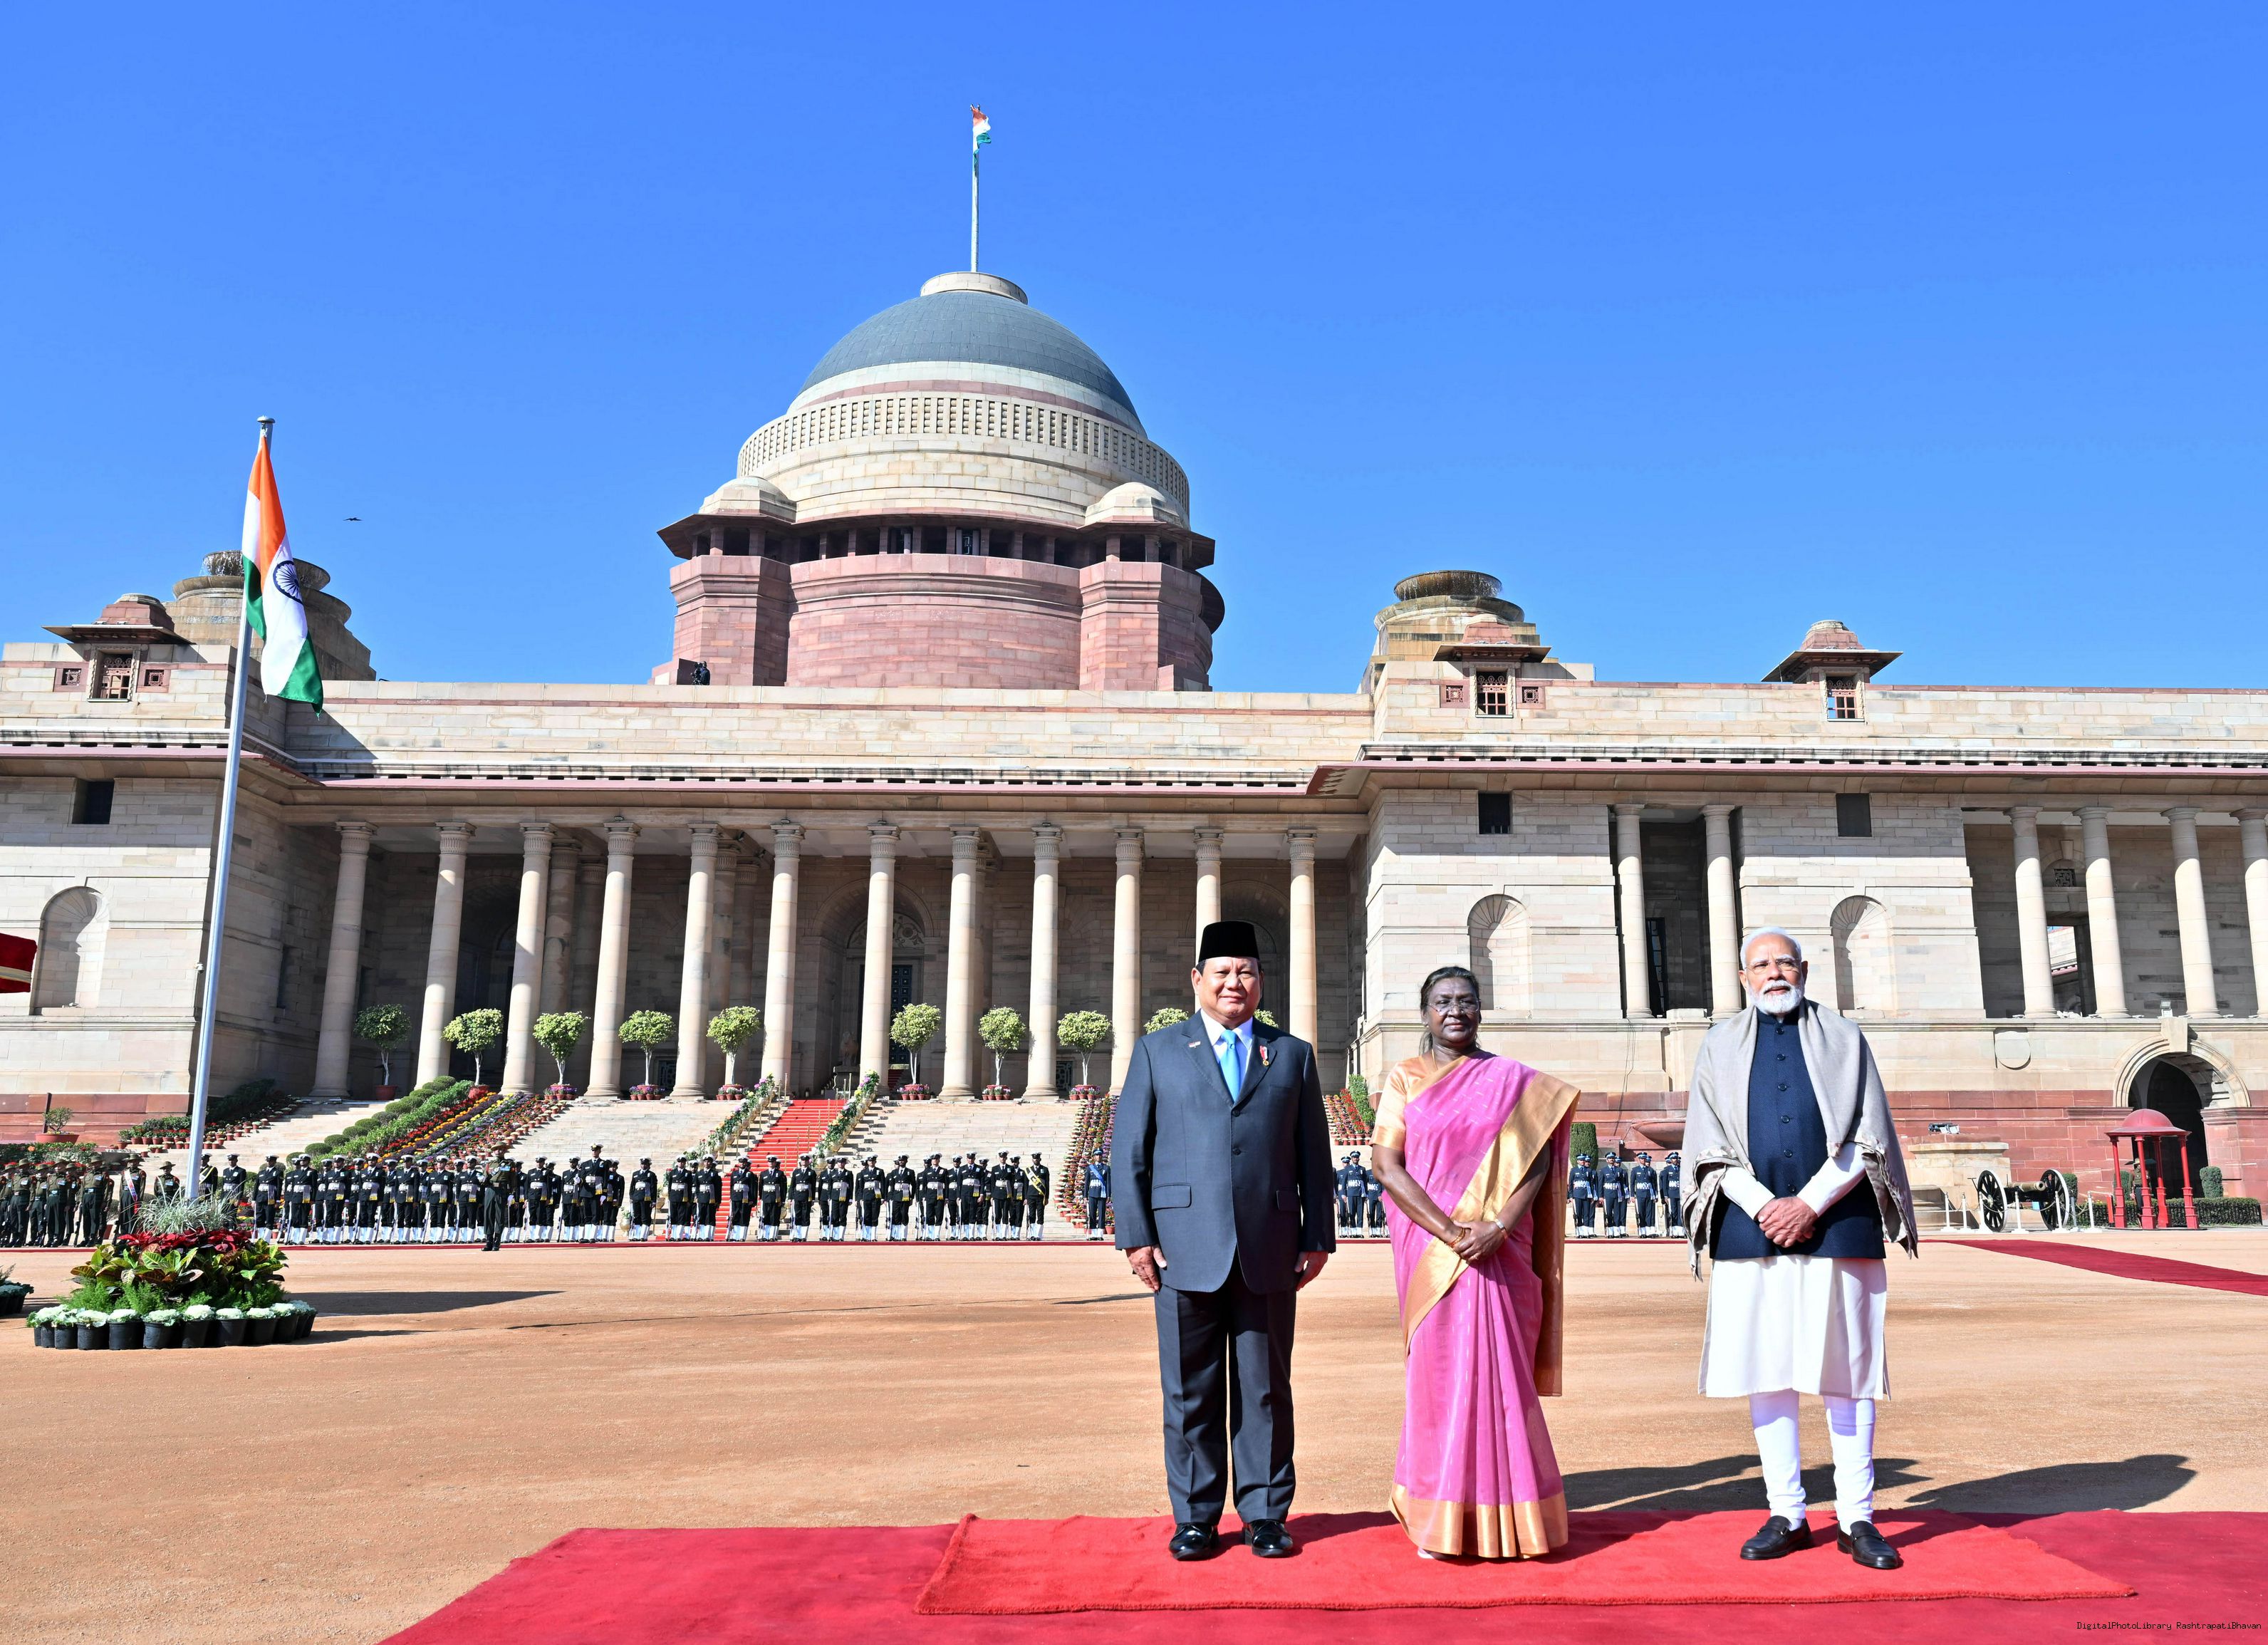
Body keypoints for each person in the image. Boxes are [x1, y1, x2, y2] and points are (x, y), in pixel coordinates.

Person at [1682, 928, 1919, 1574]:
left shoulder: (1845, 1037)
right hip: (1748, 1223)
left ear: (1805, 969)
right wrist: (1766, 1205)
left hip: (1839, 1220)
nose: (1774, 973)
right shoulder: (1719, 1045)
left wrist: (1809, 1203)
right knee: (1768, 1370)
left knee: (1848, 1372)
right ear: (1743, 978)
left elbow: (1866, 1134)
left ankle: (1857, 1516)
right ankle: (1787, 1512)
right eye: (1761, 964)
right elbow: (1708, 1142)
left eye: (1785, 961)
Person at [1111, 919, 1334, 1563]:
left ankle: (1265, 1513)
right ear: (1197, 979)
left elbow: (1313, 1153)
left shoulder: (1291, 1054)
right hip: (1182, 1247)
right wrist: (1136, 1238)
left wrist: (1317, 1234)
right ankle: (1196, 1517)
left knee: (1266, 1388)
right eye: (1223, 972)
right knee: (1189, 1390)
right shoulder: (1157, 1050)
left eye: (1247, 971)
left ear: (1261, 981)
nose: (1235, 982)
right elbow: (1130, 1149)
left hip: (1270, 1244)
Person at [1371, 964, 1578, 1560]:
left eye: (1465, 999)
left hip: (1500, 1251)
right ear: (1425, 1012)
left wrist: (1500, 1225)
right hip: (1433, 1251)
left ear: (1481, 1009)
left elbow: (1537, 1160)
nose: (1454, 1010)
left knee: (1503, 1376)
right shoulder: (1405, 1077)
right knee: (1438, 1380)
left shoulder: (1514, 1081)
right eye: (1442, 1001)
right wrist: (1453, 1231)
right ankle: (1440, 1516)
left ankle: (1515, 1516)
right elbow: (1386, 1165)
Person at [481, 1157, 513, 1252]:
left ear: (504, 1151)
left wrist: (511, 1195)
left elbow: (513, 1181)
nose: (498, 1151)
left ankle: (497, 1242)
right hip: (490, 1190)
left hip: (502, 1190)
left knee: (500, 1217)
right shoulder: (490, 1164)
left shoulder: (509, 1164)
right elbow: (484, 1178)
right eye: (496, 1150)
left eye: (500, 1150)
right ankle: (489, 1241)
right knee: (488, 1216)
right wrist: (483, 1180)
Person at [757, 1156, 788, 1242]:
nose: (771, 1163)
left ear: (775, 1163)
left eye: (773, 1162)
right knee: (766, 1217)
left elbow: (783, 1188)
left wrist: (782, 1200)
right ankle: (766, 1235)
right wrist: (761, 1198)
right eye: (770, 1162)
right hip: (766, 1198)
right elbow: (761, 1187)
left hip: (776, 1198)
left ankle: (772, 1236)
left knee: (774, 1217)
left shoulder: (780, 1173)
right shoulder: (763, 1173)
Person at [886, 1156, 917, 1242]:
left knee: (904, 1215)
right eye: (900, 1160)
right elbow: (892, 1186)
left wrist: (912, 1197)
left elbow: (914, 1185)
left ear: (906, 1161)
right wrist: (891, 1197)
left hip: (905, 1196)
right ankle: (897, 1235)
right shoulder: (894, 1172)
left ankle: (903, 1236)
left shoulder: (910, 1172)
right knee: (896, 1215)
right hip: (896, 1196)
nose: (901, 1162)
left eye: (903, 1160)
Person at [1599, 1151, 1628, 1240]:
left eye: (1613, 1158)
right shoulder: (1603, 1170)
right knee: (1608, 1213)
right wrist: (1601, 1196)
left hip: (1617, 1194)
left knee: (1617, 1213)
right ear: (1607, 1160)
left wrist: (1623, 1195)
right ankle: (1610, 1231)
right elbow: (1600, 1184)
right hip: (1608, 1194)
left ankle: (1616, 1231)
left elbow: (1622, 1184)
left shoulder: (1619, 1170)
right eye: (1610, 1158)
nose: (1612, 1159)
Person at [1569, 1153, 1598, 1239]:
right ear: (1578, 1161)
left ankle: (1586, 1232)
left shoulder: (1588, 1171)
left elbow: (1591, 1184)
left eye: (1584, 1160)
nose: (1583, 1161)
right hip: (1577, 1195)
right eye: (1581, 1160)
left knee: (1586, 1214)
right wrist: (1571, 1196)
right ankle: (1579, 1232)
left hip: (1587, 1195)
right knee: (1579, 1214)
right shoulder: (1574, 1170)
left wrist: (1592, 1196)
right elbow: (1571, 1184)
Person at [789, 1155, 818, 1242]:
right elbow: (792, 1186)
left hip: (807, 1196)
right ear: (800, 1161)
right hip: (797, 1196)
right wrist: (790, 1197)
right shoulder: (796, 1172)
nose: (804, 1162)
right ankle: (797, 1235)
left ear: (808, 1162)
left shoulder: (811, 1172)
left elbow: (813, 1186)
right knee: (797, 1215)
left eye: (806, 1160)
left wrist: (813, 1199)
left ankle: (804, 1236)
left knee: (805, 1216)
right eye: (803, 1160)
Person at [664, 1156, 693, 1240]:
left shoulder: (688, 1173)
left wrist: (689, 1200)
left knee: (681, 1216)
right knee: (673, 1216)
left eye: (682, 1162)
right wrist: (670, 1196)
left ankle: (679, 1236)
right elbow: (670, 1186)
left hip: (683, 1197)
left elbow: (690, 1188)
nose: (681, 1163)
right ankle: (673, 1235)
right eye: (679, 1162)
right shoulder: (673, 1172)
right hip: (674, 1197)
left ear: (685, 1163)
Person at [728, 1158, 757, 1242]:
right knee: (736, 1216)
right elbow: (732, 1186)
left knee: (744, 1217)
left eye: (744, 1162)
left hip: (745, 1198)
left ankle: (742, 1236)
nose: (742, 1164)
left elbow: (753, 1188)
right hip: (736, 1197)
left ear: (746, 1163)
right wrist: (731, 1197)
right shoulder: (734, 1173)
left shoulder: (750, 1174)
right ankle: (735, 1236)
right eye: (741, 1162)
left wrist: (752, 1200)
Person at [1083, 1153, 1110, 1240]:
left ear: (1102, 1156)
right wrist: (1085, 1196)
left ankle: (1100, 1234)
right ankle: (1094, 1234)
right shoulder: (1090, 1168)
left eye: (1100, 1155)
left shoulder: (1106, 1168)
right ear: (1094, 1157)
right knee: (1092, 1214)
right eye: (1097, 1155)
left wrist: (1109, 1195)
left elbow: (1108, 1183)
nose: (1098, 1157)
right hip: (1092, 1194)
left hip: (1102, 1194)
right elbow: (1087, 1183)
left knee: (1102, 1214)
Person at [1631, 1151, 1659, 1236]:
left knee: (1649, 1212)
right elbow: (1632, 1183)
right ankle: (1642, 1231)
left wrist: (1656, 1195)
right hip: (1640, 1194)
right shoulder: (1635, 1170)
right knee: (1641, 1213)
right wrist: (1632, 1195)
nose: (1643, 1160)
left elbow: (1654, 1184)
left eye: (1644, 1159)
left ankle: (1649, 1231)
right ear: (1639, 1159)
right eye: (1642, 1159)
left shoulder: (1650, 1170)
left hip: (1649, 1194)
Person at [1024, 1153, 1051, 1240]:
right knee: (1032, 1215)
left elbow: (1047, 1184)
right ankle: (1032, 1235)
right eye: (1034, 1158)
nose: (1036, 1160)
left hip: (1041, 1196)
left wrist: (1047, 1197)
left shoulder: (1045, 1169)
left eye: (1037, 1158)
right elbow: (1026, 1185)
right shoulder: (1028, 1170)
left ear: (1040, 1159)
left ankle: (1038, 1235)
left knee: (1040, 1215)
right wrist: (1026, 1198)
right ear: (1032, 1160)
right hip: (1031, 1195)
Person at [1662, 1151, 1684, 1233]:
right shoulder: (1667, 1170)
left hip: (1680, 1194)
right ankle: (1674, 1231)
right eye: (1674, 1158)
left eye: (1676, 1158)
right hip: (1671, 1194)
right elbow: (1665, 1184)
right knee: (1673, 1212)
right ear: (1671, 1160)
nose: (1675, 1160)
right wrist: (1665, 1196)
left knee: (1680, 1212)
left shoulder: (1681, 1169)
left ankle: (1680, 1230)